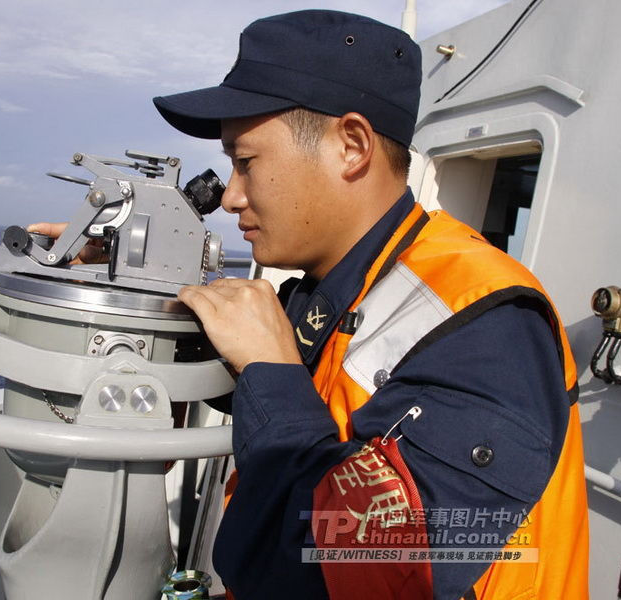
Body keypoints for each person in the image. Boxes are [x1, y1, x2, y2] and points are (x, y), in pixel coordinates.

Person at [151, 10, 589, 600]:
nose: (230, 197)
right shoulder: (331, 287)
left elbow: (351, 576)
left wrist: (273, 373)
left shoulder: (488, 326)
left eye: (245, 161)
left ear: (351, 146)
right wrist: (123, 276)